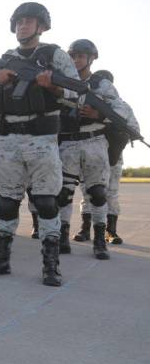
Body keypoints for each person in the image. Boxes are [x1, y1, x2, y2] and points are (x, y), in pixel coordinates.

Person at [0, 2, 79, 286]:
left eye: (29, 20)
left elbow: (77, 93)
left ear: (41, 26)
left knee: (47, 202)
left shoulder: (54, 55)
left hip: (42, 139)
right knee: (7, 203)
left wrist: (53, 86)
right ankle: (2, 259)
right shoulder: (5, 58)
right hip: (8, 140)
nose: (23, 25)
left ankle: (51, 264)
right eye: (19, 21)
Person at [59, 40, 137, 259]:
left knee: (98, 193)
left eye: (81, 56)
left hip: (94, 141)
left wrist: (99, 115)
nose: (76, 61)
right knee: (64, 193)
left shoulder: (101, 85)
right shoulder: (62, 82)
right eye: (72, 56)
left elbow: (121, 109)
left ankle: (100, 239)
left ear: (91, 59)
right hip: (67, 143)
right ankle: (63, 236)